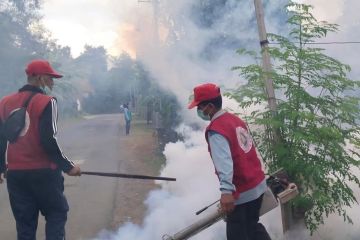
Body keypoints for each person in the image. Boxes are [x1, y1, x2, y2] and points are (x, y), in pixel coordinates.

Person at [0, 59, 81, 240]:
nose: (52, 82)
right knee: (56, 214)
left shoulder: (4, 103)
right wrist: (68, 166)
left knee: (25, 224)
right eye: (50, 77)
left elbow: (1, 138)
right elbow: (48, 140)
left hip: (16, 175)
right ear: (40, 78)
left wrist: (0, 168)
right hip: (43, 173)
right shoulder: (47, 102)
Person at [188, 83, 271, 240]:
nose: (199, 110)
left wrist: (226, 192)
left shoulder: (216, 129)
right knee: (252, 227)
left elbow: (225, 163)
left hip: (242, 192)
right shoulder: (235, 120)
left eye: (200, 106)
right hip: (258, 185)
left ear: (210, 106)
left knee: (238, 234)